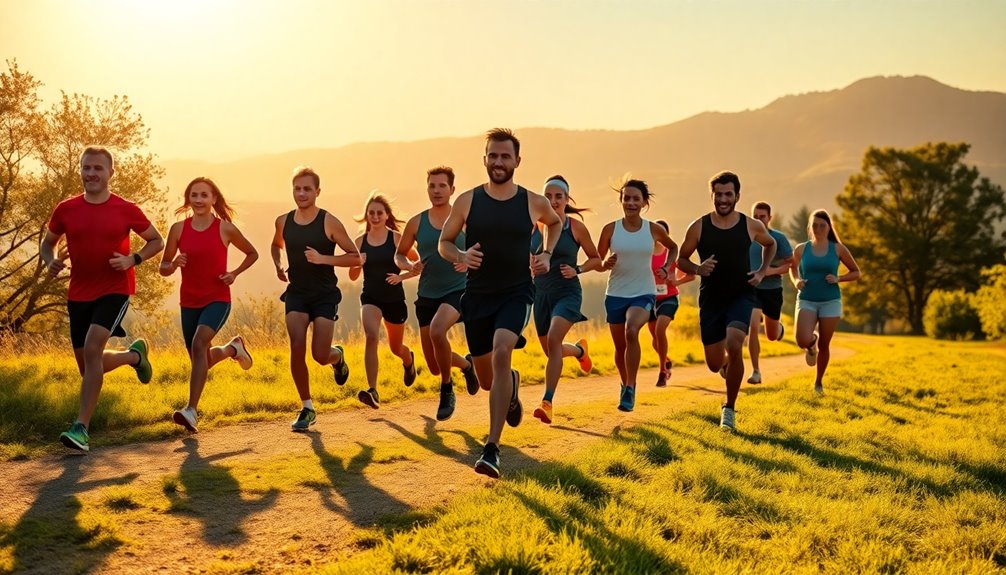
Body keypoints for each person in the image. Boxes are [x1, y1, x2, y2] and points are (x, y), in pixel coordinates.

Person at [439, 128, 561, 478]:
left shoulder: (532, 201)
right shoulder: (468, 201)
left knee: (502, 348)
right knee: (490, 380)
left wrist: (547, 254)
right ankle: (511, 386)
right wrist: (459, 254)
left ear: (517, 161)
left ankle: (492, 448)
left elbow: (554, 223)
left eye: (505, 156)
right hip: (477, 296)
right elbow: (444, 243)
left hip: (517, 292)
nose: (498, 162)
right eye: (493, 155)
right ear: (485, 160)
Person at [40, 146, 165, 452]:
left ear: (111, 172)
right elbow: (48, 243)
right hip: (79, 292)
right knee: (88, 367)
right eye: (86, 168)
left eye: (98, 168)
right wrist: (50, 261)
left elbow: (156, 240)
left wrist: (133, 259)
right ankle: (133, 356)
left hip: (115, 288)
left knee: (95, 347)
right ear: (80, 170)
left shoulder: (126, 208)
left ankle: (81, 427)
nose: (91, 173)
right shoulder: (65, 209)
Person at [676, 171, 776, 431]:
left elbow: (771, 244)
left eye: (728, 194)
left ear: (737, 196)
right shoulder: (698, 226)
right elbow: (682, 259)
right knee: (713, 363)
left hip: (741, 294)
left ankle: (729, 409)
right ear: (712, 195)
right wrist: (698, 269)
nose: (723, 199)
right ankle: (726, 369)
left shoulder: (750, 225)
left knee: (734, 343)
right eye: (718, 194)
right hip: (711, 298)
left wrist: (763, 271)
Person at [159, 177, 259, 432]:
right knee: (199, 358)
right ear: (188, 199)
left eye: (204, 195)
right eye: (194, 195)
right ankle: (232, 350)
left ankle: (191, 410)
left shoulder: (225, 228)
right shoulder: (178, 230)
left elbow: (252, 253)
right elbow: (163, 267)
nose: (199, 200)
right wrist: (174, 264)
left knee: (199, 343)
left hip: (217, 298)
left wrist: (234, 273)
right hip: (189, 300)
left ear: (213, 199)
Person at [271, 166, 360, 432]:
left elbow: (355, 257)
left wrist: (324, 259)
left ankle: (337, 357)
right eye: (297, 188)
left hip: (323, 295)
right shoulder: (283, 221)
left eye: (307, 189)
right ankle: (307, 407)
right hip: (297, 292)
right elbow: (276, 245)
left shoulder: (328, 221)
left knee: (319, 355)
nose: (301, 193)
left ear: (317, 191)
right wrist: (278, 264)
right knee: (297, 345)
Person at [395, 166, 479, 422]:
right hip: (427, 294)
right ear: (427, 188)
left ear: (452, 189)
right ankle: (466, 365)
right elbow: (399, 254)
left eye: (442, 186)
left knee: (437, 331)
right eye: (432, 185)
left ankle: (447, 389)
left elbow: (483, 247)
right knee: (432, 364)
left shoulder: (465, 220)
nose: (437, 190)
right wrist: (409, 266)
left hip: (458, 290)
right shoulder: (417, 222)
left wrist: (467, 260)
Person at [597, 178, 678, 412]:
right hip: (615, 293)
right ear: (621, 200)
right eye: (627, 198)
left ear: (644, 203)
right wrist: (605, 262)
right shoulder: (610, 229)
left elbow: (673, 247)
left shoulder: (653, 229)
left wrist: (667, 267)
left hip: (643, 292)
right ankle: (624, 384)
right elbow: (599, 261)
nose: (631, 203)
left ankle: (631, 387)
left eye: (636, 199)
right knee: (620, 346)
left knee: (631, 330)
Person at [528, 175, 602, 425]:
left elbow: (596, 258)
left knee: (554, 340)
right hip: (541, 294)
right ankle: (580, 350)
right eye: (548, 196)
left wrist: (578, 269)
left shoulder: (575, 227)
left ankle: (547, 402)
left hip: (567, 292)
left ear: (566, 199)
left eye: (558, 196)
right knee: (551, 349)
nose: (553, 200)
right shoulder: (534, 226)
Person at [348, 192, 419, 409]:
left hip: (394, 299)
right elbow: (352, 277)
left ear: (387, 215)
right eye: (371, 213)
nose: (375, 216)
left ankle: (408, 360)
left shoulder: (396, 239)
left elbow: (418, 265)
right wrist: (358, 263)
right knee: (371, 336)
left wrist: (401, 276)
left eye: (380, 212)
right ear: (366, 215)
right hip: (370, 296)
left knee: (395, 347)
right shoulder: (359, 241)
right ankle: (373, 391)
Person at [789, 209, 861, 395]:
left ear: (829, 227)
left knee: (825, 345)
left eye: (822, 225)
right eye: (815, 225)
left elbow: (856, 272)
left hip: (831, 301)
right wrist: (796, 281)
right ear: (810, 228)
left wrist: (839, 279)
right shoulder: (801, 248)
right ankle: (811, 343)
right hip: (807, 299)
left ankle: (818, 383)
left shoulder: (838, 249)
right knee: (801, 339)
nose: (818, 229)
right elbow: (793, 268)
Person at [746, 202, 793, 385]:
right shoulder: (746, 238)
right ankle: (756, 371)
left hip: (772, 290)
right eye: (755, 217)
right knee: (753, 327)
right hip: (752, 289)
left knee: (771, 335)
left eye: (762, 217)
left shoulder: (778, 238)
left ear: (769, 218)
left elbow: (791, 264)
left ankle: (778, 328)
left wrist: (769, 272)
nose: (758, 220)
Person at [647, 219, 695, 387]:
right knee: (655, 340)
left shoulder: (670, 254)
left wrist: (676, 281)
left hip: (669, 298)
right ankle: (666, 360)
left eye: (663, 233)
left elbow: (690, 275)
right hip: (650, 299)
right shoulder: (645, 253)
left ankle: (662, 372)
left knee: (660, 329)